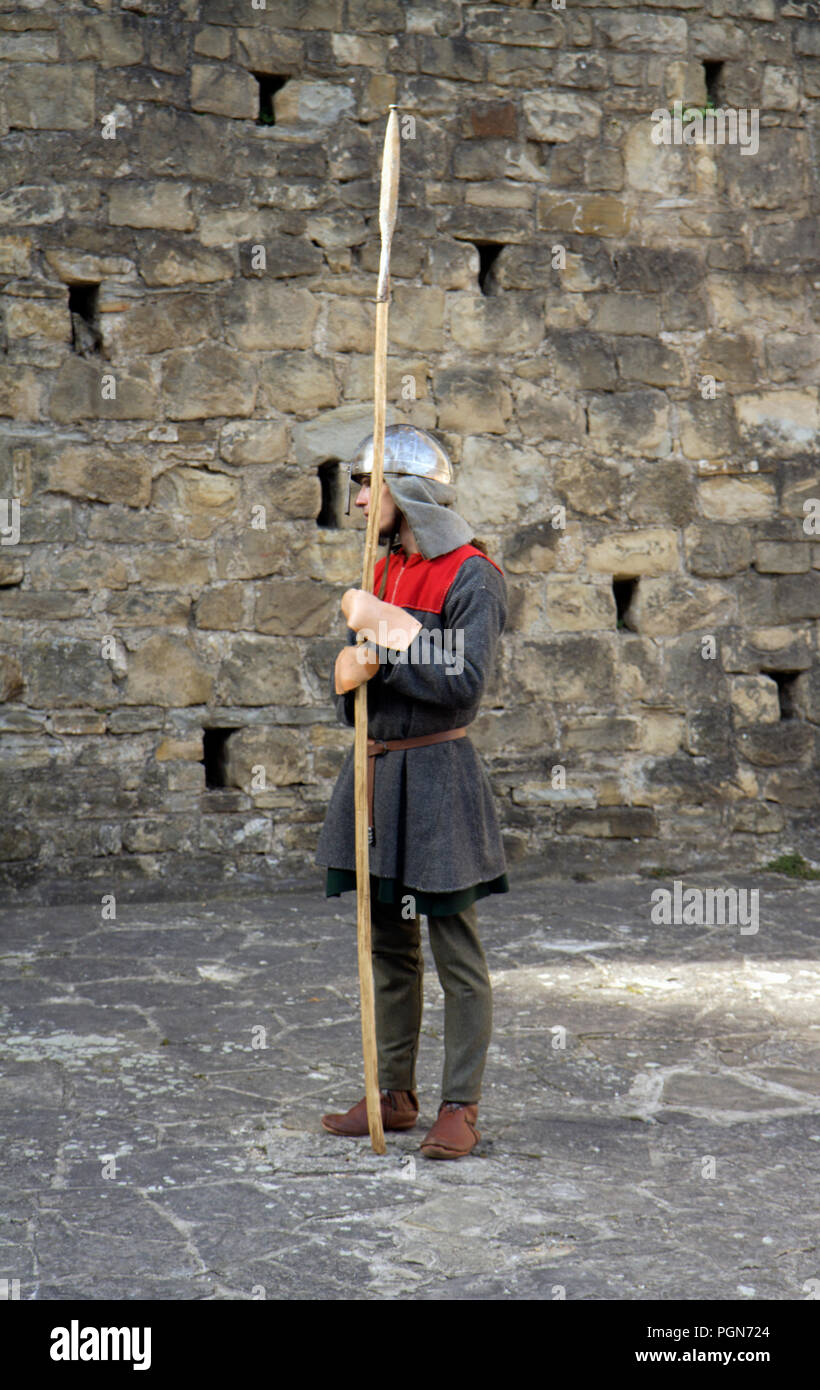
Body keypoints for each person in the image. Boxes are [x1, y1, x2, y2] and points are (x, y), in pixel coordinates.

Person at [314, 424, 509, 1159]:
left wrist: (389, 631)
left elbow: (463, 682)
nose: (359, 500)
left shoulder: (472, 576)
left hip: (436, 780)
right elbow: (369, 684)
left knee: (455, 949)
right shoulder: (382, 569)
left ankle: (461, 1105)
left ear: (411, 491)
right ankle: (392, 1094)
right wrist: (346, 678)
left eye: (371, 485)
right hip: (375, 773)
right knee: (387, 945)